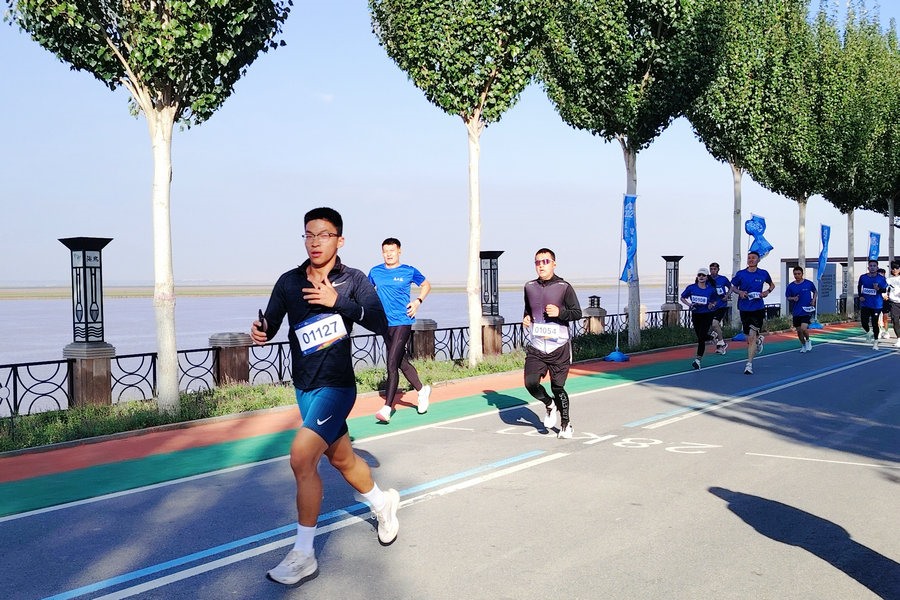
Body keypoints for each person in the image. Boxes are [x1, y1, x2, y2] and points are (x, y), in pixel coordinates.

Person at [251, 207, 399, 586]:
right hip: (305, 388)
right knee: (343, 460)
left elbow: (380, 320)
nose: (315, 242)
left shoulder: (353, 280)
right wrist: (262, 329)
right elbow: (272, 322)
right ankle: (383, 503)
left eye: (324, 235)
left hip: (337, 387)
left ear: (339, 240)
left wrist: (338, 302)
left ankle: (303, 554)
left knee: (302, 456)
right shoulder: (289, 281)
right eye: (309, 234)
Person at [368, 238, 432, 423]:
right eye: (385, 251)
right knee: (401, 362)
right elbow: (366, 293)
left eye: (392, 251)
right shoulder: (375, 272)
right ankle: (422, 390)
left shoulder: (408, 271)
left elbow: (426, 285)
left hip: (403, 321)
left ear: (399, 252)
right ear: (382, 253)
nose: (389, 254)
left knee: (391, 363)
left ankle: (387, 408)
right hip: (384, 324)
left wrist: (418, 302)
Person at [522, 248, 582, 439]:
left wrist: (560, 313)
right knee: (530, 383)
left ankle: (566, 424)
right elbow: (528, 309)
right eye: (538, 262)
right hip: (537, 346)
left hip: (559, 346)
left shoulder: (564, 287)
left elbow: (577, 313)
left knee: (557, 387)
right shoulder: (529, 286)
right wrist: (526, 318)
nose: (541, 266)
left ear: (554, 264)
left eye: (545, 262)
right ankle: (549, 404)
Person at [731, 250, 775, 375]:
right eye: (749, 257)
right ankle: (758, 340)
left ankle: (749, 364)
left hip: (757, 308)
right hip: (744, 308)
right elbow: (733, 287)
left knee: (751, 336)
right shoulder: (741, 274)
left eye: (753, 258)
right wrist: (740, 292)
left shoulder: (763, 273)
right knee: (749, 337)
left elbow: (772, 285)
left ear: (758, 260)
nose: (751, 259)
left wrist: (767, 292)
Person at [680, 267, 723, 370]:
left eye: (703, 275)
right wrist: (689, 305)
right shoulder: (691, 288)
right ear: (697, 277)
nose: (701, 277)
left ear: (707, 277)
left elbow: (715, 300)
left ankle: (698, 360)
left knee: (701, 338)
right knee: (700, 336)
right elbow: (682, 297)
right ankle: (712, 337)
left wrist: (712, 305)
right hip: (696, 314)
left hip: (707, 314)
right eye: (699, 275)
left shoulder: (710, 289)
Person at [785, 266, 817, 353]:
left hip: (806, 311)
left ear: (802, 274)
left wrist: (813, 300)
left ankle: (808, 340)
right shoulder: (791, 286)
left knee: (803, 328)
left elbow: (815, 291)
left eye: (799, 274)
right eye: (795, 274)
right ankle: (803, 345)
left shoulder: (808, 283)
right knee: (799, 332)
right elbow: (788, 297)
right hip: (796, 312)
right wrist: (793, 298)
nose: (797, 275)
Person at [857, 259, 888, 349]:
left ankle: (875, 342)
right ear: (868, 268)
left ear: (877, 268)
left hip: (877, 305)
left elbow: (884, 290)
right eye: (871, 266)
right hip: (865, 303)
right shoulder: (863, 277)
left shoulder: (881, 278)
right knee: (864, 323)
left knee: (875, 323)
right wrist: (860, 296)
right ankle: (869, 332)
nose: (872, 268)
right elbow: (859, 286)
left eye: (874, 266)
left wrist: (878, 289)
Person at [708, 262, 730, 355]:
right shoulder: (707, 279)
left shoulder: (723, 279)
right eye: (711, 269)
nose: (713, 271)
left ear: (718, 270)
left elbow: (731, 287)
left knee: (715, 323)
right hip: (710, 307)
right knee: (712, 326)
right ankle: (717, 339)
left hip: (721, 305)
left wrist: (727, 296)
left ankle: (721, 343)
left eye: (715, 269)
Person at [886, 261, 900, 347]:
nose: (895, 270)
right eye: (893, 268)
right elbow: (885, 290)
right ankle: (899, 339)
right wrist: (885, 295)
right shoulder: (888, 280)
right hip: (894, 303)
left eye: (897, 268)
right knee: (895, 321)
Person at [877, 268, 890, 339]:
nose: (880, 275)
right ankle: (879, 331)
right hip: (877, 301)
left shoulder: (887, 282)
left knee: (885, 317)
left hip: (885, 302)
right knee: (877, 317)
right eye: (879, 274)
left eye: (882, 274)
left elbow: (890, 290)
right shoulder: (875, 282)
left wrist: (888, 296)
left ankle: (886, 332)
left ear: (884, 274)